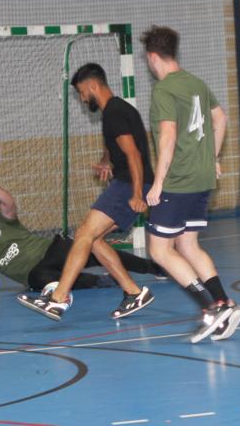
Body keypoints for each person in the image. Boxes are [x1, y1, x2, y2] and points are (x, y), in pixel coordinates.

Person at [16, 63, 158, 321]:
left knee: (83, 234)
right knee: (93, 240)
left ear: (93, 86)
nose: (82, 99)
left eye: (82, 93)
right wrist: (106, 161)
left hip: (128, 184)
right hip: (126, 182)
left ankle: (58, 298)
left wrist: (137, 193)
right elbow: (118, 144)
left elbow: (134, 154)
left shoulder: (114, 113)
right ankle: (133, 292)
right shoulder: (117, 110)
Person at [140, 25, 240, 344]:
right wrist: (210, 157)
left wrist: (157, 183)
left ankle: (211, 309)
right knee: (188, 245)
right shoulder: (196, 83)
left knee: (159, 249)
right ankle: (224, 302)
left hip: (179, 179)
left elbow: (168, 136)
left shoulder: (164, 90)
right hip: (202, 178)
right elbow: (221, 118)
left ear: (152, 57)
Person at [0, 168, 164, 295]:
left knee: (94, 250)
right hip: (33, 274)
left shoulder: (1, 219)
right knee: (43, 282)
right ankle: (101, 281)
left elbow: (8, 203)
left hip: (51, 250)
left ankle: (154, 268)